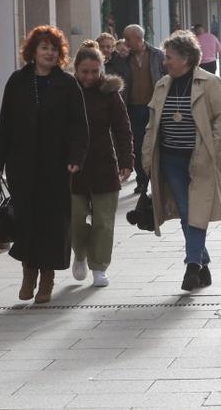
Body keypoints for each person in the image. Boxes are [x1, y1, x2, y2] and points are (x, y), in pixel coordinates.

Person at [0, 25, 89, 303]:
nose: (49, 53)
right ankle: (28, 273)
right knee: (26, 220)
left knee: (53, 223)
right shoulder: (17, 81)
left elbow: (79, 126)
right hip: (21, 165)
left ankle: (47, 278)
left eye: (54, 49)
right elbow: (5, 123)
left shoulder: (67, 84)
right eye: (44, 47)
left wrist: (75, 158)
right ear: (33, 51)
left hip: (56, 166)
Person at [142, 30, 221, 291]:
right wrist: (147, 155)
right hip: (171, 159)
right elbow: (152, 125)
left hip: (200, 160)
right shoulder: (163, 85)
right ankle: (200, 264)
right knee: (186, 210)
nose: (165, 62)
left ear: (185, 58)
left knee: (196, 211)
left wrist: (210, 149)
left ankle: (192, 266)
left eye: (169, 57)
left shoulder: (210, 83)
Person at [70, 48, 134, 288]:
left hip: (104, 163)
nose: (89, 76)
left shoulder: (110, 93)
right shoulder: (67, 91)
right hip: (72, 166)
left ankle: (99, 266)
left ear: (101, 70)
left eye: (94, 72)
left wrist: (127, 160)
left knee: (104, 221)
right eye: (84, 71)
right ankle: (80, 253)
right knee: (75, 219)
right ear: (76, 69)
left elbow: (122, 128)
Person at [106, 25, 165, 195]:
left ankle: (157, 180)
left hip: (153, 107)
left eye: (127, 38)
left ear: (138, 38)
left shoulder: (156, 55)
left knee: (155, 145)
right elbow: (111, 70)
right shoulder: (123, 57)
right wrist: (117, 55)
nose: (125, 42)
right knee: (137, 146)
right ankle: (142, 181)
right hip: (132, 108)